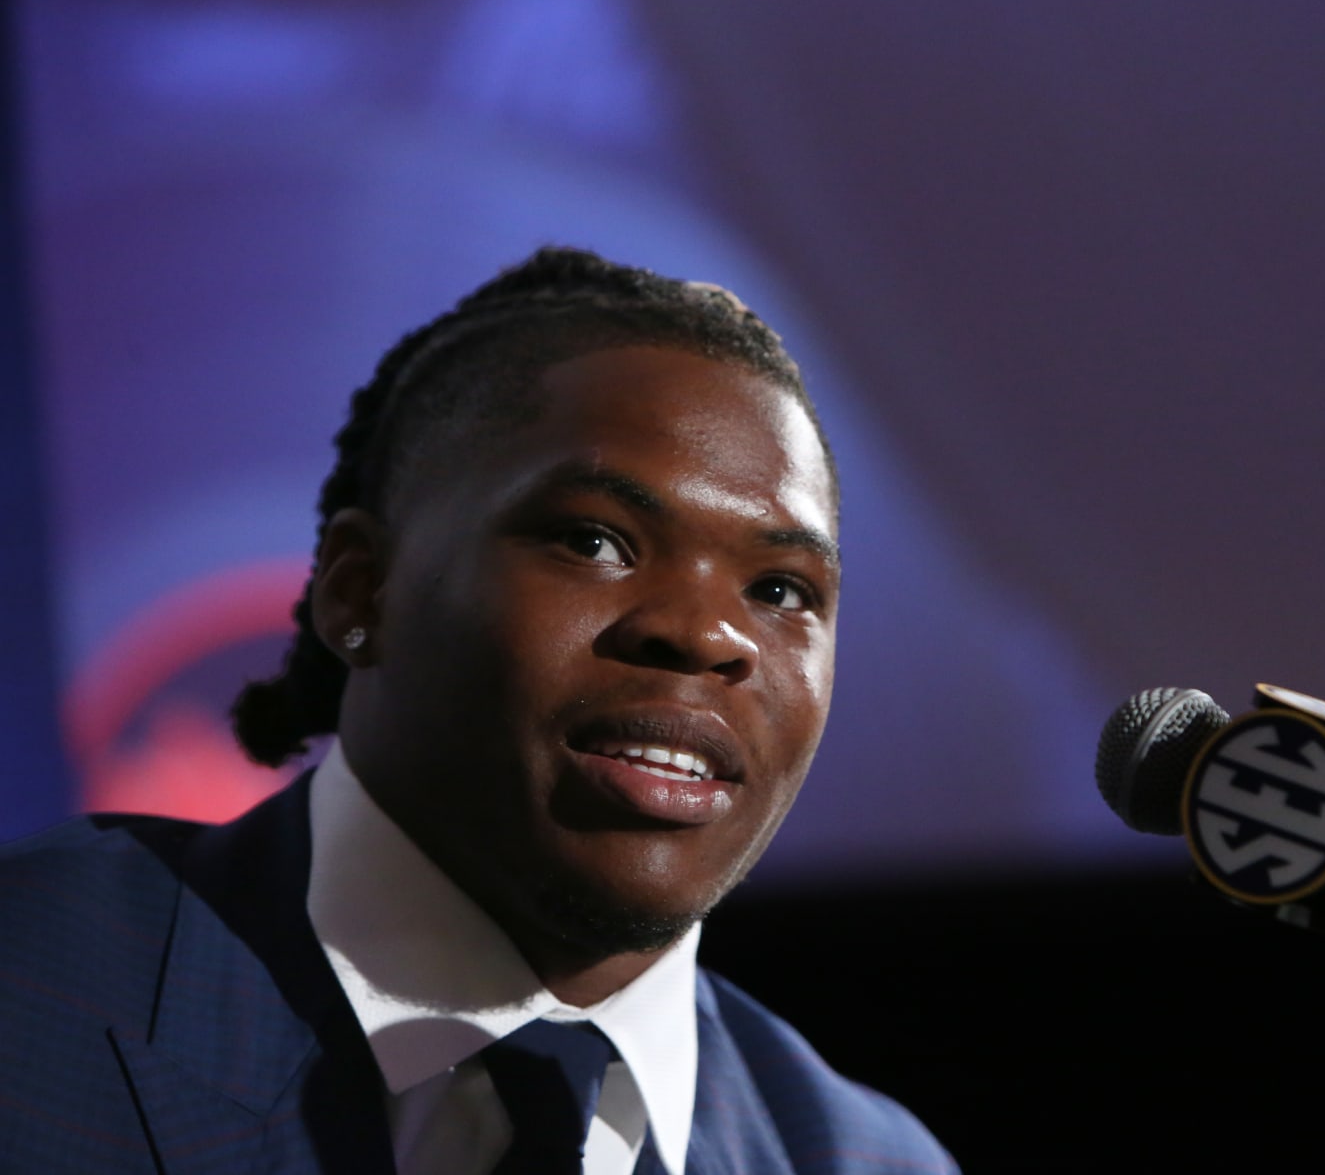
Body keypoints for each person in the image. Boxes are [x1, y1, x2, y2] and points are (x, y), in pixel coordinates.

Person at [0, 247, 960, 1174]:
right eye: (594, 539)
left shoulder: (867, 1160)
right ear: (359, 591)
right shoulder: (33, 991)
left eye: (784, 591)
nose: (707, 633)